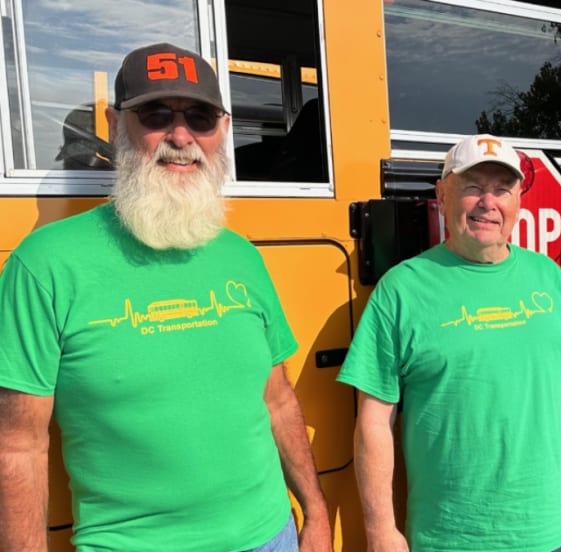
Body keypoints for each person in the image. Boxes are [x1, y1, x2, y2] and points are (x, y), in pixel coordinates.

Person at [0, 43, 332, 552]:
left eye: (199, 117)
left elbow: (278, 400)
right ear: (117, 124)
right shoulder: (45, 263)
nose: (180, 137)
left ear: (221, 130)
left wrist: (316, 513)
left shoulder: (242, 256)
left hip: (272, 537)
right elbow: (18, 445)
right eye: (156, 115)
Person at [337, 134, 561, 552]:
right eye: (473, 188)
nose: (488, 203)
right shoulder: (402, 289)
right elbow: (374, 420)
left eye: (502, 190)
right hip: (449, 538)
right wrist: (380, 528)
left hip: (548, 532)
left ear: (518, 201)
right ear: (442, 196)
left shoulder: (548, 276)